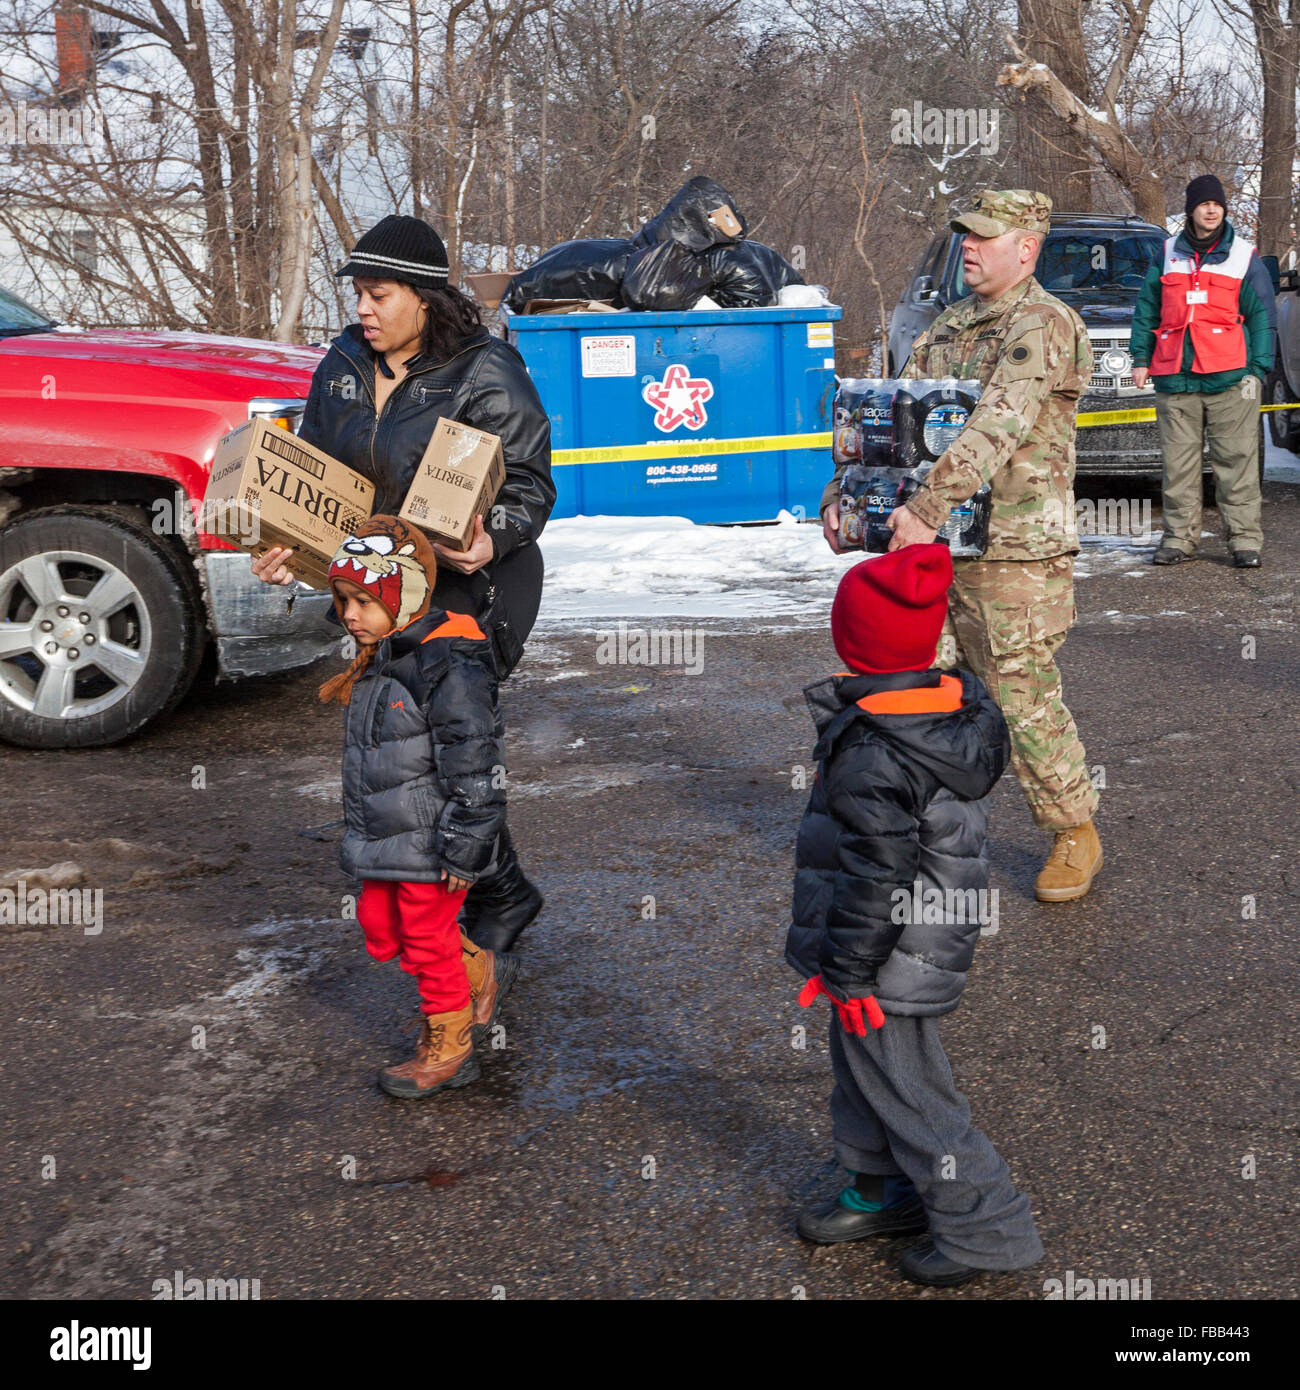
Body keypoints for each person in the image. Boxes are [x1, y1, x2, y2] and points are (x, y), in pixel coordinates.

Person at [252, 213, 554, 951]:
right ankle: (503, 893)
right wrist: (291, 546)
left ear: (424, 297)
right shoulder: (343, 365)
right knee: (422, 754)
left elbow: (531, 487)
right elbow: (318, 476)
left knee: (442, 750)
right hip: (383, 588)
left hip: (473, 589)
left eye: (379, 295)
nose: (363, 309)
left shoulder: (487, 370)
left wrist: (495, 537)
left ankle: (474, 914)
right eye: (358, 293)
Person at [822, 189, 1101, 903]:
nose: (967, 247)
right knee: (919, 689)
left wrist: (926, 505)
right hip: (933, 544)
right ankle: (926, 831)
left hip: (1014, 549)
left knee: (1018, 693)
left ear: (1027, 247)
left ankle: (1073, 829)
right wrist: (845, 498)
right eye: (963, 236)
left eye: (983, 236)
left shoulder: (1043, 324)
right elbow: (889, 419)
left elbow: (995, 427)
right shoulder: (946, 324)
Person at [787, 545, 1043, 1287]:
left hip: (891, 950)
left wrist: (852, 971)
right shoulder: (943, 707)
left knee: (910, 1087)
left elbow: (878, 872)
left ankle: (988, 1227)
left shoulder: (875, 748)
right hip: (908, 936)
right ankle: (878, 1189)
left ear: (853, 646)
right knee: (861, 1067)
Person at [318, 514, 517, 1098]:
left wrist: (466, 843)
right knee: (380, 927)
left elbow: (477, 763)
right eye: (343, 600)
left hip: (432, 841)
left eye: (362, 600)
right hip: (386, 833)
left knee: (427, 939)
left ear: (402, 594)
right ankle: (475, 968)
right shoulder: (383, 652)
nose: (349, 614)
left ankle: (449, 1041)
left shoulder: (446, 664)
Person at [1129, 174, 1274, 568]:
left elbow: (1262, 316)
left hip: (1231, 376)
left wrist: (1257, 370)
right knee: (1178, 466)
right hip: (1175, 375)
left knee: (1237, 462)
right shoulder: (1166, 254)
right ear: (1191, 208)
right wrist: (1141, 359)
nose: (1211, 210)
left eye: (1217, 204)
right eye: (1203, 203)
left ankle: (1245, 541)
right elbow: (1147, 309)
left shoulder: (1244, 256)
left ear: (1224, 209)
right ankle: (1179, 539)